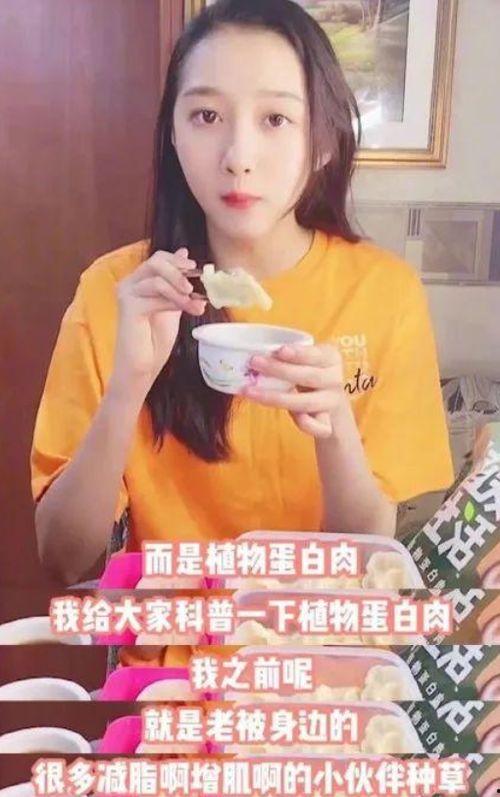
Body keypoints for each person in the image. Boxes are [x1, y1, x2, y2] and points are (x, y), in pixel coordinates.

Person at [30, 0, 454, 667]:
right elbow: (63, 555)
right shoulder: (115, 293)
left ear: (322, 142)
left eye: (275, 119)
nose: (238, 157)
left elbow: (366, 558)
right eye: (206, 116)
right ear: (173, 135)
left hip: (323, 676)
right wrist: (128, 387)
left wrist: (334, 426)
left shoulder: (385, 293)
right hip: (174, 679)